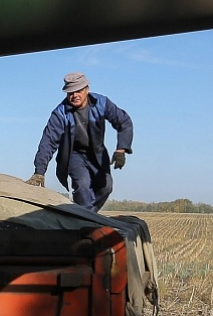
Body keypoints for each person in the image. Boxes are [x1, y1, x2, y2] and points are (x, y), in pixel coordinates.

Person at [25, 72, 133, 212]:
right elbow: (48, 140)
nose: (75, 95)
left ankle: (86, 216)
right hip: (74, 155)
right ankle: (85, 221)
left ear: (86, 89)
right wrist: (39, 171)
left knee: (106, 187)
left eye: (78, 91)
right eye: (70, 92)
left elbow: (124, 121)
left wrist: (121, 149)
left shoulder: (101, 103)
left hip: (98, 153)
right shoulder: (60, 113)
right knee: (82, 186)